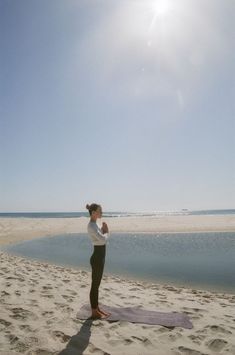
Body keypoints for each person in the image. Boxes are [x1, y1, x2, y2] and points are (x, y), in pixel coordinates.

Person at [86, 203, 111, 319]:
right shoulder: (91, 226)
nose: (102, 213)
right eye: (100, 211)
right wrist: (106, 232)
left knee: (97, 285)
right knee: (95, 285)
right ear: (94, 212)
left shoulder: (95, 225)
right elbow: (102, 240)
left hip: (100, 257)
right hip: (97, 258)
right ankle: (94, 311)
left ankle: (97, 308)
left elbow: (99, 237)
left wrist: (102, 229)